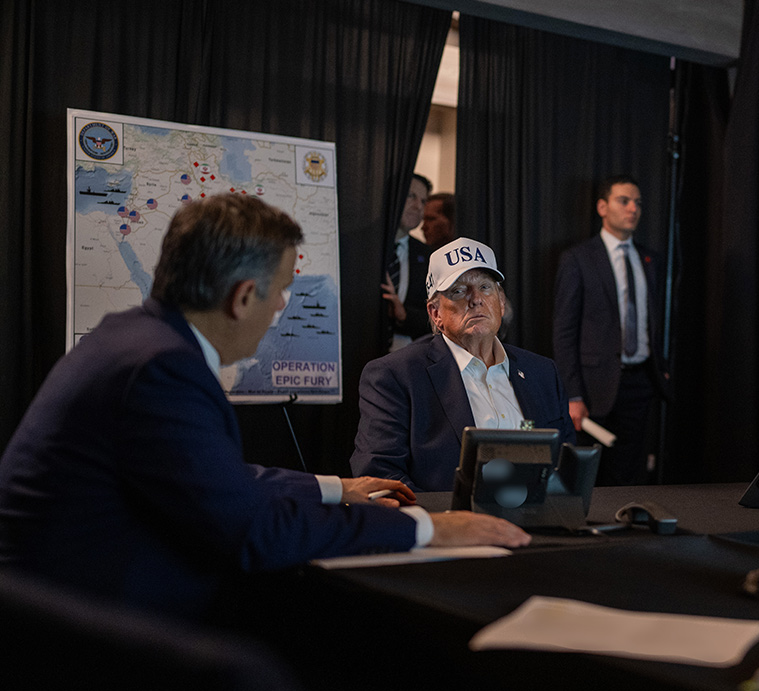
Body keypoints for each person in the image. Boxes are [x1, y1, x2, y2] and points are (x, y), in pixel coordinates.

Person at [0, 195, 528, 620]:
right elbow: (252, 531)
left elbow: (215, 480)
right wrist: (432, 529)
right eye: (280, 292)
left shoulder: (137, 339)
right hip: (75, 625)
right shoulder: (162, 369)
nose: (281, 307)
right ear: (243, 296)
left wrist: (332, 486)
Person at [353, 237, 577, 491]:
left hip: (541, 522)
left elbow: (567, 463)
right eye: (458, 291)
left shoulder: (542, 373)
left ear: (501, 302)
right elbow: (379, 474)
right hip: (450, 525)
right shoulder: (394, 376)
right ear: (435, 313)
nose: (475, 299)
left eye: (485, 287)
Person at [553, 175, 669, 485]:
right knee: (587, 475)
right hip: (593, 387)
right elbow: (564, 331)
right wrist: (573, 394)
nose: (633, 209)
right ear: (602, 207)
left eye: (638, 203)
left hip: (641, 381)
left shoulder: (650, 260)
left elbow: (653, 321)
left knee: (629, 472)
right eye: (624, 201)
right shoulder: (578, 258)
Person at [383, 173, 432, 351]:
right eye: (411, 196)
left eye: (424, 201)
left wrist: (404, 315)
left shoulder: (429, 256)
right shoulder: (365, 247)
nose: (418, 206)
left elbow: (438, 319)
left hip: (405, 359)